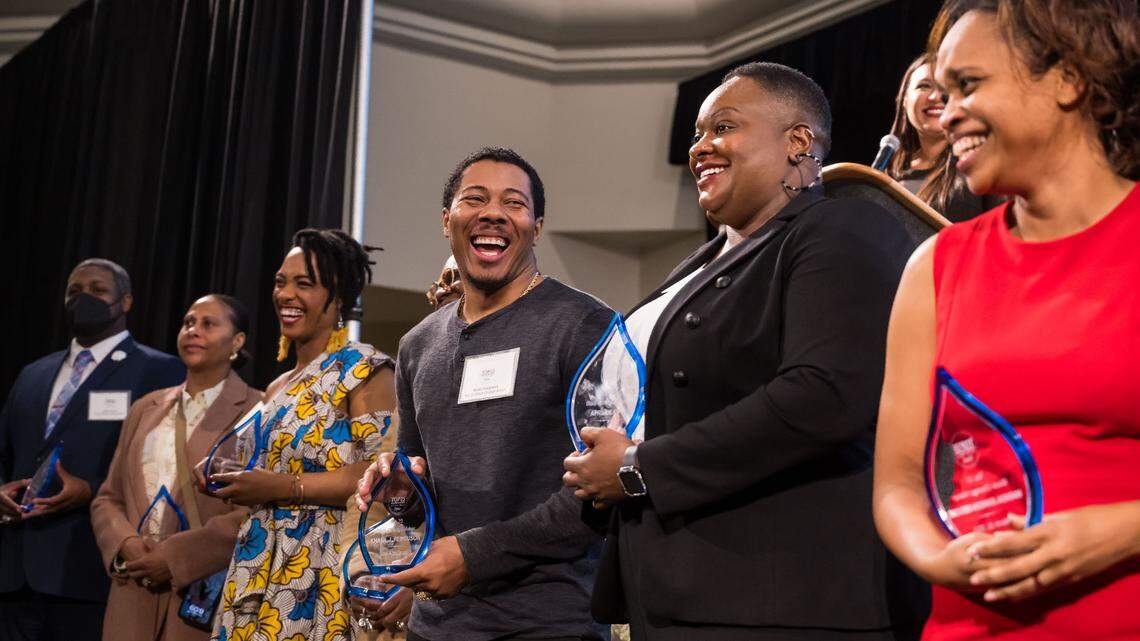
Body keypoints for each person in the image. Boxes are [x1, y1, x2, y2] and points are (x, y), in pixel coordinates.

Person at [562, 62, 926, 640]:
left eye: (723, 128)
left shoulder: (841, 229)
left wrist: (637, 469)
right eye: (697, 134)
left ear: (798, 143)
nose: (700, 148)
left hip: (783, 602)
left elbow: (824, 396)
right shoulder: (697, 266)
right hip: (674, 593)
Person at [873, 1, 1140, 639]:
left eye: (970, 85)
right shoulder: (934, 267)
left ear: (1069, 80)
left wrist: (1120, 530)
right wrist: (941, 557)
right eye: (940, 90)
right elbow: (897, 482)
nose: (948, 110)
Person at [354, 146, 613, 641]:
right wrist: (402, 493)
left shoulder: (584, 324)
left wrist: (472, 556)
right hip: (436, 626)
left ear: (536, 227)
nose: (493, 212)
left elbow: (599, 495)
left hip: (548, 622)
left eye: (514, 203)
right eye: (475, 199)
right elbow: (419, 482)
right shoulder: (417, 344)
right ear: (446, 220)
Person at [206, 229, 396, 641]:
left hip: (318, 565)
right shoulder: (276, 386)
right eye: (280, 281)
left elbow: (376, 475)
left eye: (304, 284)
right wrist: (234, 477)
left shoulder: (364, 368)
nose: (286, 294)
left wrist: (281, 486)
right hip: (258, 559)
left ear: (339, 296)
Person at [0, 258, 185, 641]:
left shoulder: (159, 371)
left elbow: (164, 466)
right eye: (74, 291)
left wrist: (94, 489)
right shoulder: (32, 373)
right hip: (15, 575)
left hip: (89, 571)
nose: (83, 298)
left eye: (98, 291)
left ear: (126, 302)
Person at [89, 294, 261, 641]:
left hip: (202, 595)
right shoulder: (145, 408)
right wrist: (126, 544)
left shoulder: (259, 409)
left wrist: (176, 556)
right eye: (188, 323)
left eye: (208, 324)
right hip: (133, 589)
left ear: (237, 341)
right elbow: (107, 498)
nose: (193, 331)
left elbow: (254, 512)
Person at [887, 55, 1002, 221]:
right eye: (924, 86)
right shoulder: (887, 173)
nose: (935, 97)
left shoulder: (982, 162)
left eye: (945, 88)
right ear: (904, 100)